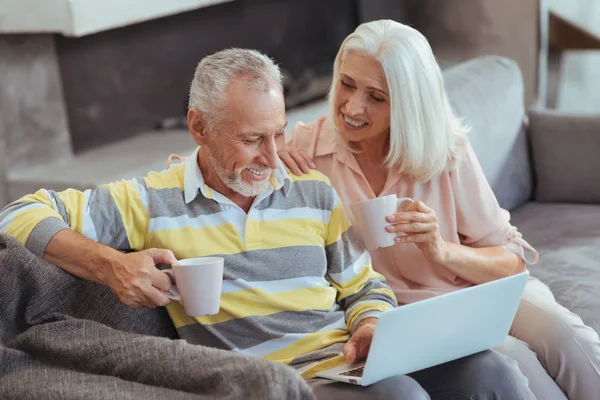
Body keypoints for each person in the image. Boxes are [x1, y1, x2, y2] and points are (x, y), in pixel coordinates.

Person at [0, 48, 534, 399]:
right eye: (253, 138)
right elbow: (17, 213)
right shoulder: (150, 201)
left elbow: (363, 284)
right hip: (284, 382)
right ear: (199, 127)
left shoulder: (313, 193)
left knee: (495, 375)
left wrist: (371, 324)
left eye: (279, 133)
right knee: (401, 395)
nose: (275, 155)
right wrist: (112, 265)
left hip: (349, 361)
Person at [271, 20, 600, 400]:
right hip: (402, 316)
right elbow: (208, 159)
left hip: (479, 292)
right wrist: (268, 151)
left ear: (409, 102)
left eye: (377, 97)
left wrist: (440, 249)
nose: (353, 107)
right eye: (347, 84)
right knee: (515, 367)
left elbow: (512, 263)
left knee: (566, 335)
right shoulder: (305, 151)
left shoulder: (446, 151)